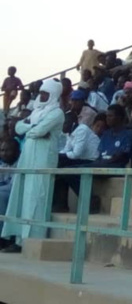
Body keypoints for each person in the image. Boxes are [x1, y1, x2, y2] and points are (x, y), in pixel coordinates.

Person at [1, 79, 66, 252]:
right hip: (28, 156)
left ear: (53, 95)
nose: (42, 96)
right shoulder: (36, 111)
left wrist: (30, 128)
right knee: (21, 195)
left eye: (46, 93)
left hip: (43, 160)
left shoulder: (57, 112)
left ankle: (31, 240)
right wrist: (32, 128)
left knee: (36, 197)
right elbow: (18, 128)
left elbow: (38, 130)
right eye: (41, 93)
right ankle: (17, 239)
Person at [0, 138, 21, 246]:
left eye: (7, 150)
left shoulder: (21, 163)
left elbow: (13, 187)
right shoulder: (2, 164)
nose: (4, 154)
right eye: (2, 150)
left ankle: (3, 238)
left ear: (17, 151)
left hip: (17, 195)